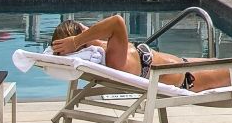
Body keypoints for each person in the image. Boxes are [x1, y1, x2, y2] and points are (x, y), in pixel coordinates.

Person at [50, 14, 201, 90]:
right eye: (83, 27)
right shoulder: (113, 59)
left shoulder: (102, 48)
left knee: (218, 62)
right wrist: (76, 41)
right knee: (225, 68)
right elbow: (117, 22)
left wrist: (79, 41)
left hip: (184, 65)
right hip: (189, 78)